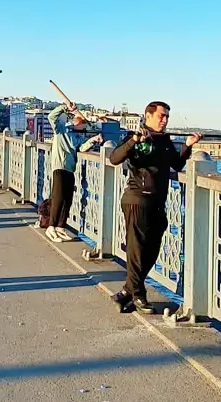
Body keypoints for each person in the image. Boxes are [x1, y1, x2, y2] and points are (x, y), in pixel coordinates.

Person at [109, 101, 202, 313]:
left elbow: (176, 164)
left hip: (158, 203)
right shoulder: (135, 136)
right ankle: (137, 294)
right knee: (137, 250)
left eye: (167, 116)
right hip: (136, 199)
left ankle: (127, 292)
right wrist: (134, 140)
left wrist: (187, 145)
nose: (165, 120)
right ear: (148, 116)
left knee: (152, 249)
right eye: (161, 116)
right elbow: (115, 158)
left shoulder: (165, 140)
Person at [46, 102, 103, 242]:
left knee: (67, 200)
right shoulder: (61, 130)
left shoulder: (77, 137)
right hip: (59, 167)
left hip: (70, 169)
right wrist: (65, 108)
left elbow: (81, 148)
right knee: (58, 198)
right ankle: (51, 227)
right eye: (81, 128)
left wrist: (92, 141)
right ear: (76, 124)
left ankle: (60, 226)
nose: (82, 131)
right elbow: (51, 117)